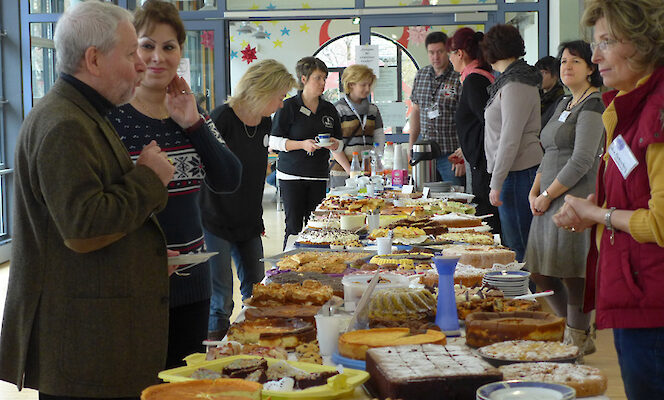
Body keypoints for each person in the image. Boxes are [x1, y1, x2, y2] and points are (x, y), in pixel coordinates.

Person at [0, 2, 175, 399]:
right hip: (84, 347)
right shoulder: (65, 123)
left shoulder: (83, 114)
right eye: (132, 54)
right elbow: (84, 227)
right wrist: (149, 176)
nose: (142, 66)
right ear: (94, 59)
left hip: (94, 338)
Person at [108, 0, 242, 368]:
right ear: (132, 49)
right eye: (147, 45)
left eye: (169, 47)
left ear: (181, 52)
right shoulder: (112, 119)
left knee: (184, 383)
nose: (157, 57)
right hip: (135, 280)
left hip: (193, 281)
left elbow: (230, 179)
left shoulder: (191, 113)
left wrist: (194, 124)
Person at [553, 1, 664, 398]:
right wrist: (594, 214)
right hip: (636, 290)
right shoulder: (629, 106)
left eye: (606, 42)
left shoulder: (656, 112)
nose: (595, 56)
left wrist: (600, 213)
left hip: (652, 299)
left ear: (644, 43)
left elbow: (660, 222)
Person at [203, 59, 296, 340]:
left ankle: (253, 346)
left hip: (248, 222)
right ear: (263, 89)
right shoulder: (222, 119)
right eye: (279, 97)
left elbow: (255, 174)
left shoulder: (266, 123)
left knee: (257, 291)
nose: (280, 105)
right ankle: (214, 357)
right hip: (215, 220)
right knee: (221, 300)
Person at [525, 40, 605, 359]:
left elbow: (583, 159)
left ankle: (576, 336)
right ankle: (573, 330)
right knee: (540, 272)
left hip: (574, 195)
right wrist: (535, 190)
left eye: (574, 61)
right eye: (562, 62)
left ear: (590, 68)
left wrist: (547, 194)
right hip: (548, 195)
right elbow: (550, 152)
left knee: (573, 272)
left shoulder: (594, 104)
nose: (566, 67)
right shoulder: (564, 103)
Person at [481, 24, 543, 262]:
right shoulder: (510, 80)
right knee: (516, 243)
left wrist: (496, 182)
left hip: (517, 174)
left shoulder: (516, 83)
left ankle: (526, 297)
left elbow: (510, 138)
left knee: (519, 246)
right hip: (512, 172)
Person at [269, 57, 343, 249]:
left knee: (318, 227)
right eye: (318, 78)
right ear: (303, 79)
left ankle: (316, 269)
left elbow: (340, 144)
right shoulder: (287, 107)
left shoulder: (329, 109)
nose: (322, 83)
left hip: (318, 175)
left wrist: (334, 145)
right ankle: (287, 270)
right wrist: (302, 145)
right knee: (293, 226)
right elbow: (274, 141)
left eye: (324, 78)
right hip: (291, 175)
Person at [446, 27, 501, 234]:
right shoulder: (479, 77)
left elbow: (490, 122)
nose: (450, 59)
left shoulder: (474, 80)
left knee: (487, 221)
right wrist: (464, 148)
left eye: (451, 54)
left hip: (485, 164)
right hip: (481, 159)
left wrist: (473, 147)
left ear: (459, 53)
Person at [409, 31, 464, 185]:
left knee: (454, 199)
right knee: (424, 199)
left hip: (451, 154)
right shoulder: (421, 75)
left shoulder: (458, 76)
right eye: (431, 53)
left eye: (440, 52)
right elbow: (416, 110)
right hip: (425, 153)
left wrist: (463, 154)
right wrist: (411, 145)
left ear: (447, 52)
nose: (435, 57)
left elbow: (468, 117)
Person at [331, 64, 385, 187]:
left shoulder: (373, 110)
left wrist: (375, 163)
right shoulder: (337, 109)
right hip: (342, 173)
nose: (367, 89)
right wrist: (351, 172)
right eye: (363, 85)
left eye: (369, 85)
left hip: (368, 173)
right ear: (351, 85)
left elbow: (379, 138)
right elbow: (333, 145)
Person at [535, 55, 566, 129]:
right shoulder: (535, 96)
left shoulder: (560, 101)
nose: (539, 77)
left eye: (543, 73)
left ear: (555, 75)